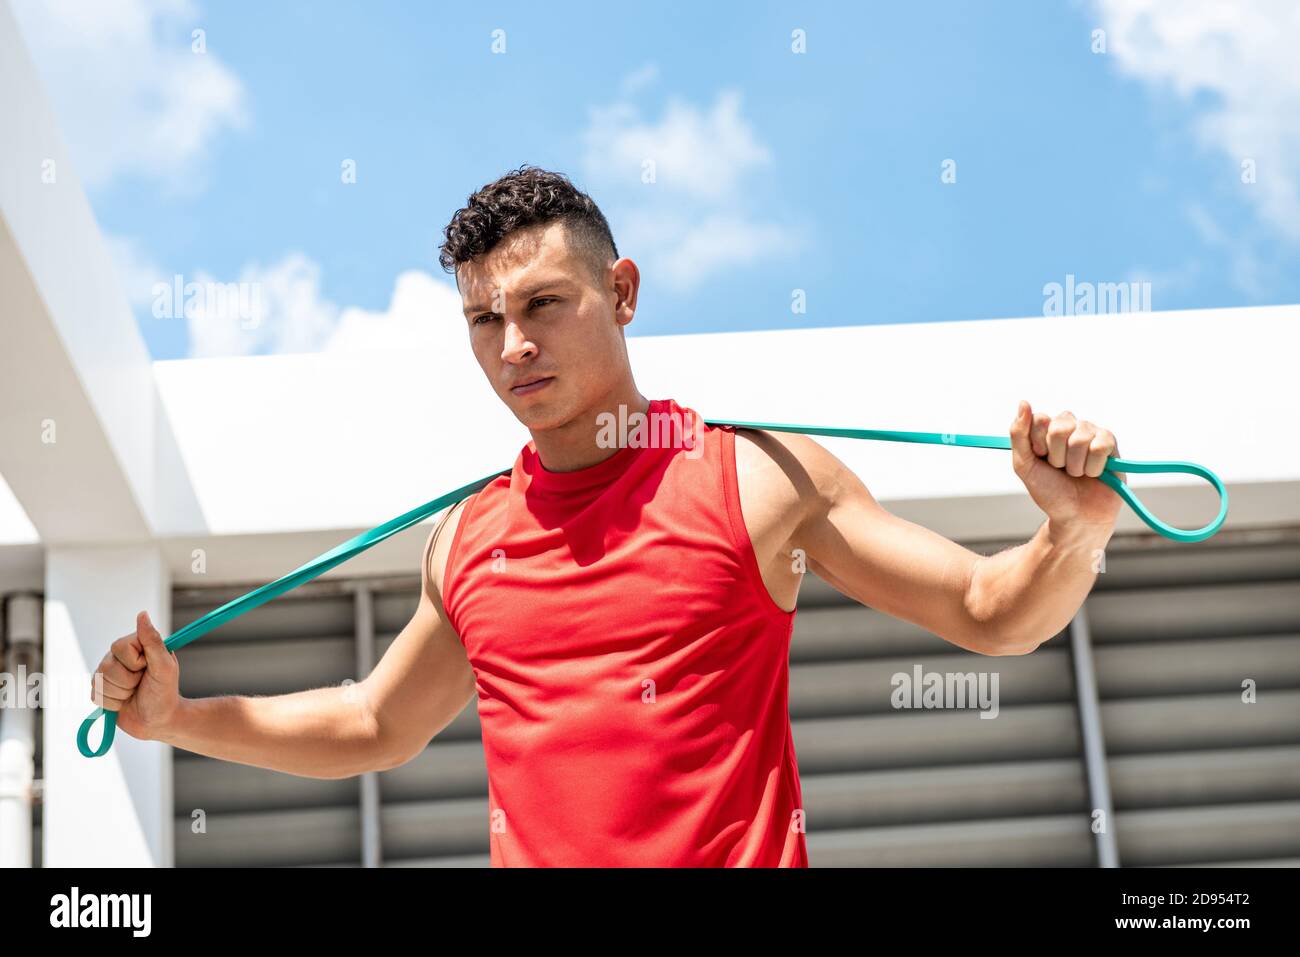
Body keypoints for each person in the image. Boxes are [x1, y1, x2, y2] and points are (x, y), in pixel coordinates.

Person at [90, 165, 1125, 867]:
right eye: (484, 320)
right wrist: (179, 720)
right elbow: (372, 723)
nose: (513, 347)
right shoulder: (465, 541)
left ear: (621, 291)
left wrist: (1071, 529)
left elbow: (994, 612)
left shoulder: (755, 481)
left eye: (544, 304)